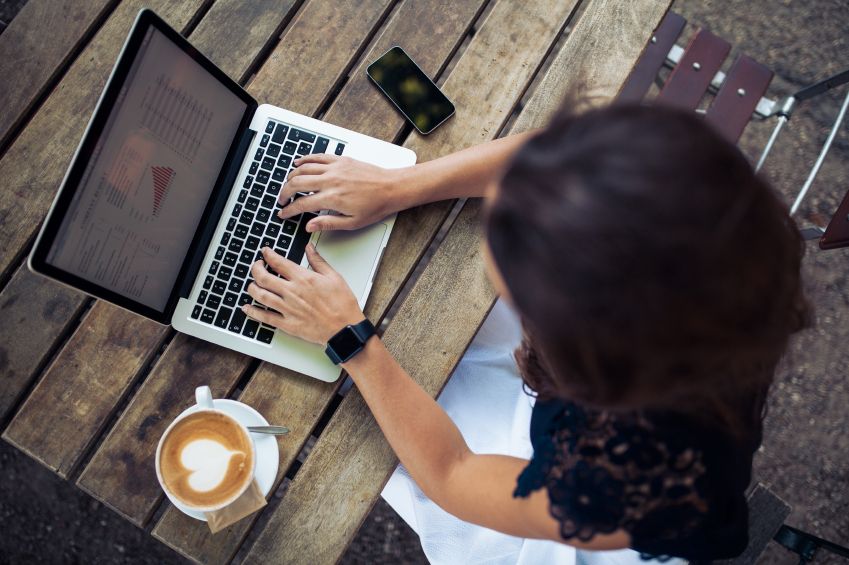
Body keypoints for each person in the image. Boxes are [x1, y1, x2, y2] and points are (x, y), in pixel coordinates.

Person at [239, 102, 809, 563]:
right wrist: (398, 187)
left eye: (512, 285)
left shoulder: (626, 486)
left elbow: (455, 476)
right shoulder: (713, 226)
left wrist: (351, 340)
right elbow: (543, 162)